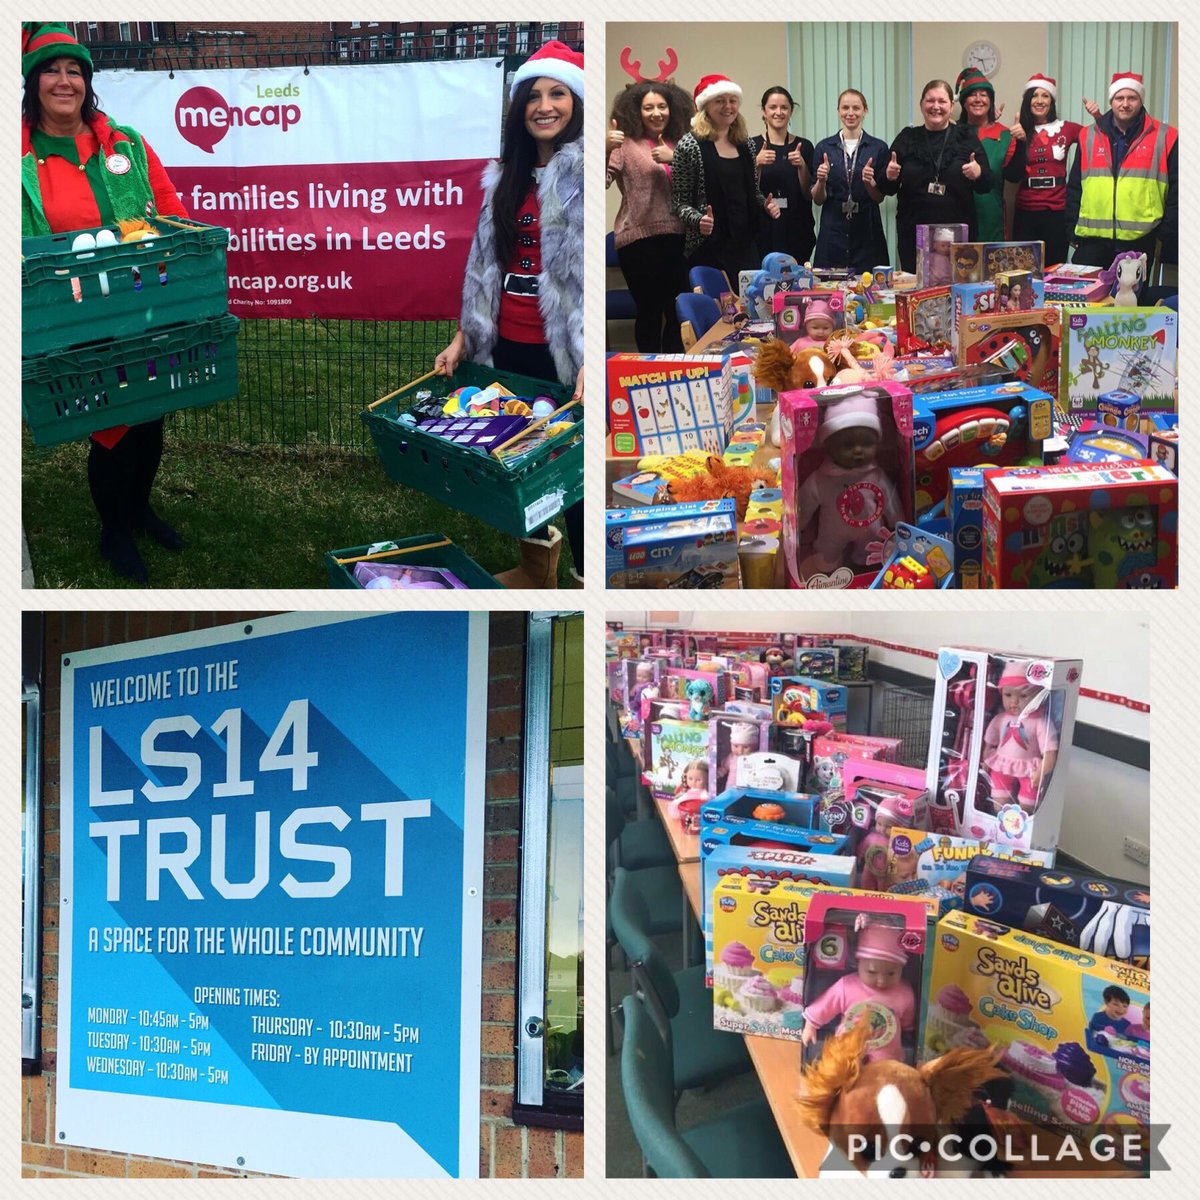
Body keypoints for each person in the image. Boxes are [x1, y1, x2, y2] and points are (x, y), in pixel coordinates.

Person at [20, 23, 190, 585]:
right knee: (111, 423)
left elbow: (167, 205)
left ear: (87, 83)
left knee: (151, 412)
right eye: (51, 70)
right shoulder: (16, 156)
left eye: (75, 71)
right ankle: (114, 530)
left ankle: (140, 510)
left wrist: (180, 254)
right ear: (32, 82)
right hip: (73, 312)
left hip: (142, 300)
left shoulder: (126, 143)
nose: (64, 81)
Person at [435, 41, 584, 587]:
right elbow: (483, 262)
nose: (544, 107)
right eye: (533, 97)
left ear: (576, 102)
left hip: (563, 348)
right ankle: (537, 566)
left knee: (571, 462)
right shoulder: (505, 176)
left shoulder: (585, 175)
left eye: (558, 94)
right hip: (508, 339)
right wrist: (464, 336)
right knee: (520, 454)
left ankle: (587, 576)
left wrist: (589, 359)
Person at [671, 73, 781, 292]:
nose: (728, 106)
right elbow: (679, 203)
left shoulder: (745, 144)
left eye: (732, 101)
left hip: (745, 243)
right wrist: (699, 220)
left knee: (750, 304)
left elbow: (753, 192)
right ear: (705, 106)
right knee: (717, 308)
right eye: (720, 101)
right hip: (708, 246)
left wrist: (765, 204)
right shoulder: (689, 145)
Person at [606, 78, 694, 352]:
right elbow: (598, 182)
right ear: (636, 112)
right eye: (648, 108)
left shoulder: (682, 143)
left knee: (677, 310)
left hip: (679, 237)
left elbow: (699, 185)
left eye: (662, 106)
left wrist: (675, 158)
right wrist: (605, 148)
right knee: (649, 311)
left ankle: (673, 369)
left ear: (672, 109)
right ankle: (648, 369)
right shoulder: (624, 144)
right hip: (639, 240)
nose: (657, 113)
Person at [876, 78, 992, 272]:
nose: (935, 106)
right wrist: (889, 175)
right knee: (915, 285)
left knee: (956, 285)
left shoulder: (966, 137)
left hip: (957, 237)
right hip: (913, 235)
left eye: (942, 101)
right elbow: (885, 188)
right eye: (930, 101)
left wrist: (978, 173)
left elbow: (987, 184)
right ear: (921, 104)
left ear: (951, 106)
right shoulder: (907, 138)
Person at [1066, 71, 1177, 271]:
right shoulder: (1088, 135)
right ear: (1111, 101)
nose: (1125, 104)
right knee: (1086, 292)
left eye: (1132, 98)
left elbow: (1178, 190)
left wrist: (1165, 233)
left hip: (1140, 241)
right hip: (1092, 241)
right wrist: (1072, 229)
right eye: (1119, 98)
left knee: (1132, 293)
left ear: (1141, 100)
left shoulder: (1165, 135)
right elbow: (1074, 186)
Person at [1003, 74, 1089, 266]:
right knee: (1023, 269)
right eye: (1034, 95)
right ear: (1027, 100)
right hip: (1026, 211)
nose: (1040, 101)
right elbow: (1011, 175)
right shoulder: (1018, 130)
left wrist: (1098, 116)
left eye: (1045, 95)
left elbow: (1096, 138)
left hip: (1058, 211)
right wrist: (1020, 141)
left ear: (1052, 101)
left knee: (1055, 268)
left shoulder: (1066, 128)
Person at [811, 88, 890, 272]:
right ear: (838, 111)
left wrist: (870, 183)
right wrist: (821, 181)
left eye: (856, 108)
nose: (850, 113)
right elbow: (818, 199)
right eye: (845, 107)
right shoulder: (824, 147)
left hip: (867, 232)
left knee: (871, 285)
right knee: (828, 285)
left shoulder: (878, 148)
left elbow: (879, 197)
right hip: (833, 231)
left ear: (865, 110)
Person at [747, 86, 815, 265]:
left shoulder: (805, 146)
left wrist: (802, 166)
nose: (779, 112)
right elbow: (746, 192)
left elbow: (809, 194)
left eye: (784, 107)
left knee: (796, 277)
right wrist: (757, 164)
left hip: (797, 228)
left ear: (791, 111)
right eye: (773, 107)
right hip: (762, 228)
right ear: (764, 111)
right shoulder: (751, 145)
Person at [955, 69, 1010, 242]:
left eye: (984, 95)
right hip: (955, 216)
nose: (978, 99)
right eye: (972, 94)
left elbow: (1015, 175)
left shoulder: (1006, 135)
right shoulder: (951, 133)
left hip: (991, 217)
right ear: (964, 102)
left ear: (990, 101)